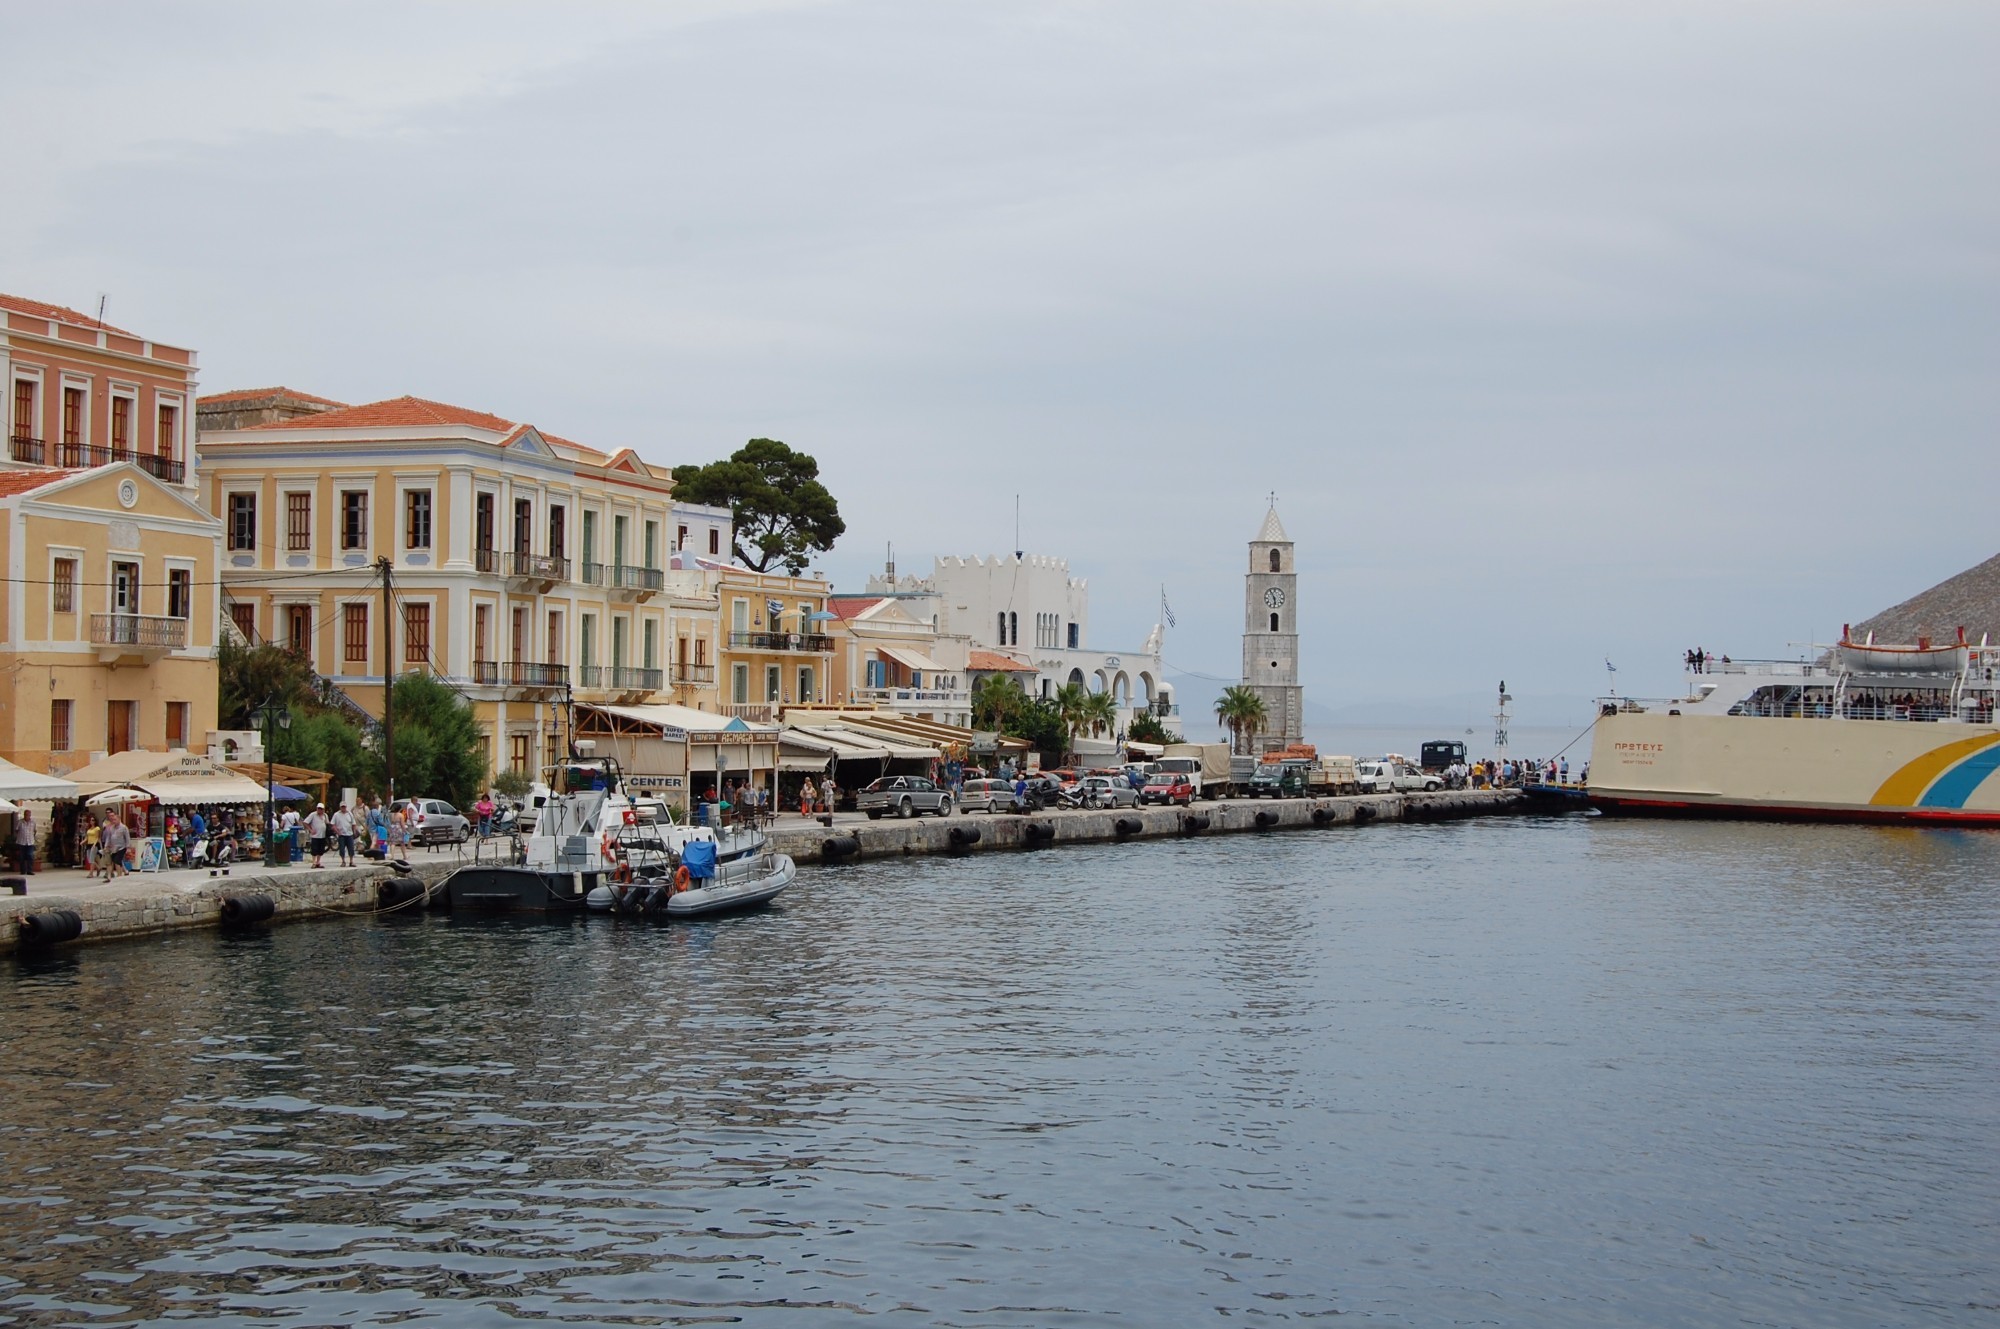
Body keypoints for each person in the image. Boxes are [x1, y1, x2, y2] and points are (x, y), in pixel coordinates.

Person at [101, 813, 129, 880]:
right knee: (114, 861)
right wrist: (106, 846)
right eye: (113, 820)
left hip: (121, 847)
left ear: (119, 819)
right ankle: (117, 875)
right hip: (113, 848)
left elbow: (127, 838)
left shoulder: (124, 828)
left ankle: (119, 876)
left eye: (115, 820)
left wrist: (128, 847)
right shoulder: (111, 828)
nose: (114, 821)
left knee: (117, 861)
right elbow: (108, 837)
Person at [331, 802, 356, 867]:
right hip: (341, 834)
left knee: (351, 848)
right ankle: (343, 861)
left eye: (344, 807)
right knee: (342, 849)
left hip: (349, 834)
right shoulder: (336, 814)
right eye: (342, 807)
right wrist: (337, 831)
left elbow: (353, 823)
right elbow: (333, 824)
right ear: (340, 807)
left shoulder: (350, 814)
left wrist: (354, 831)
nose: (343, 808)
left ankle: (351, 861)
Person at [306, 803, 329, 868]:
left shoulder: (325, 815)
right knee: (314, 849)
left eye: (321, 809)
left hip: (322, 835)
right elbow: (305, 822)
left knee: (321, 849)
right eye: (318, 808)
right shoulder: (313, 815)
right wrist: (310, 830)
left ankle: (318, 862)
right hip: (315, 835)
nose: (320, 810)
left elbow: (327, 823)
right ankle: (314, 862)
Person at [13, 808, 35, 875]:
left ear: (30, 815)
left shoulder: (33, 822)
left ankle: (30, 870)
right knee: (22, 857)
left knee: (30, 855)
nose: (27, 816)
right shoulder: (20, 822)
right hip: (21, 841)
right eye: (26, 815)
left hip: (30, 842)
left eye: (28, 815)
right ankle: (23, 871)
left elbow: (35, 830)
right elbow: (16, 830)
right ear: (24, 815)